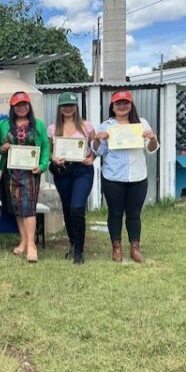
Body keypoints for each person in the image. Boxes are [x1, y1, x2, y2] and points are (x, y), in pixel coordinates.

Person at [93, 90, 159, 263]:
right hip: (113, 176)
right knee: (114, 213)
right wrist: (97, 139)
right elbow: (99, 152)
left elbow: (151, 149)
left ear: (131, 105)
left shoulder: (141, 123)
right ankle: (116, 248)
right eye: (118, 103)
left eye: (125, 102)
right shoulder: (106, 125)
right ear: (112, 107)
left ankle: (135, 248)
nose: (122, 106)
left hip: (138, 176)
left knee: (134, 214)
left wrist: (153, 138)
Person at [0, 91, 50, 262]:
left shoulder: (39, 125)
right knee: (17, 208)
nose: (21, 107)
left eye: (24, 104)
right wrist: (3, 148)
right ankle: (24, 240)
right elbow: (0, 146)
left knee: (28, 208)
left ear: (29, 106)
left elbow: (45, 148)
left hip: (30, 173)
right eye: (18, 105)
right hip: (11, 172)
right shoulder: (4, 125)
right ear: (13, 107)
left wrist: (42, 166)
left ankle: (31, 246)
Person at [48, 92, 96, 264]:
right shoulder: (53, 129)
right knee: (67, 208)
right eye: (64, 105)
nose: (68, 108)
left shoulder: (87, 126)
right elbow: (49, 152)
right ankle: (73, 244)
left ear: (76, 107)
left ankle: (80, 251)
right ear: (60, 108)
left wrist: (94, 157)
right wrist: (52, 159)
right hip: (62, 171)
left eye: (71, 105)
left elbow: (96, 146)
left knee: (77, 208)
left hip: (82, 170)